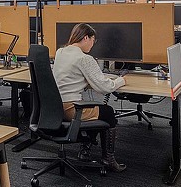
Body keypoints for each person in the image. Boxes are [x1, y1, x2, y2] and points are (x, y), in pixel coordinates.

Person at [52, 23, 127, 172]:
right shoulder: (84, 58)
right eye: (93, 40)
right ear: (86, 37)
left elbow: (69, 76)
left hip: (54, 107)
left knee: (94, 108)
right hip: (71, 109)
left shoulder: (60, 52)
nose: (93, 44)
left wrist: (87, 80)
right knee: (108, 113)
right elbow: (105, 88)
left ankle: (85, 150)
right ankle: (108, 159)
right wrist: (121, 80)